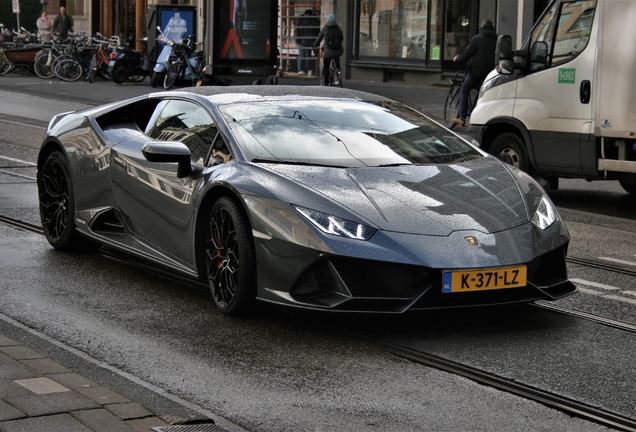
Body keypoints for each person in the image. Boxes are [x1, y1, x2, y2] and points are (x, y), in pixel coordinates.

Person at [451, 19, 497, 127]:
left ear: (482, 28)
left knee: (464, 90)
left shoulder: (477, 39)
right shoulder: (496, 40)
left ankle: (462, 118)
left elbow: (466, 55)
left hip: (476, 73)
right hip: (490, 74)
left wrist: (456, 59)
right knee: (480, 92)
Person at [312, 14, 344, 85]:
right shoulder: (338, 28)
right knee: (337, 60)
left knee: (326, 66)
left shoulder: (325, 28)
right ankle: (338, 72)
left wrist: (314, 45)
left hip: (328, 52)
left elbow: (319, 39)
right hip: (338, 50)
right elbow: (342, 38)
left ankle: (327, 82)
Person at [296, 9, 320, 76]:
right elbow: (319, 32)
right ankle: (317, 70)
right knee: (317, 55)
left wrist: (304, 38)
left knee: (308, 56)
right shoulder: (317, 21)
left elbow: (301, 32)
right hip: (315, 41)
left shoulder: (304, 21)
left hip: (306, 41)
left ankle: (310, 70)